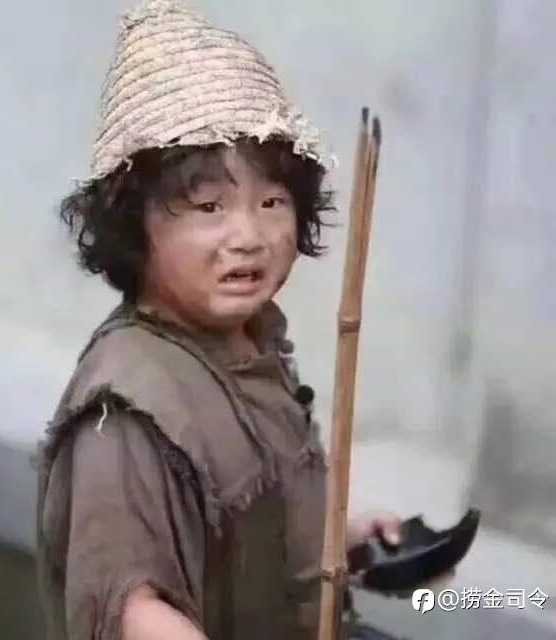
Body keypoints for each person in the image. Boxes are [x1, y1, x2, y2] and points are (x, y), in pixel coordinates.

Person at [36, 2, 403, 639]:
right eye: (210, 206)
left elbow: (254, 520)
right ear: (134, 225)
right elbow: (135, 612)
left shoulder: (250, 347)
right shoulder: (127, 412)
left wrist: (344, 539)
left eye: (272, 202)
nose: (250, 236)